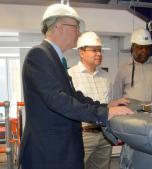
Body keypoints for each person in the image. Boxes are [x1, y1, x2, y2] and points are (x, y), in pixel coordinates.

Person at [19, 4, 134, 169]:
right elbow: (58, 100)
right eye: (76, 27)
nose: (79, 33)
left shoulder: (55, 59)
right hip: (49, 154)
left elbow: (73, 96)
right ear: (58, 26)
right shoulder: (39, 55)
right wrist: (104, 113)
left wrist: (105, 106)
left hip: (61, 150)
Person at [68, 32, 112, 169]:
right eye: (94, 50)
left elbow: (107, 105)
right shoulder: (70, 75)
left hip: (105, 134)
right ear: (81, 52)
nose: (98, 53)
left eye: (100, 50)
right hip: (83, 136)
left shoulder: (106, 77)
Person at [112, 28, 152, 102]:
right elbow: (116, 98)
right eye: (140, 47)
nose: (144, 51)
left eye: (147, 48)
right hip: (132, 112)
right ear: (133, 47)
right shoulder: (123, 69)